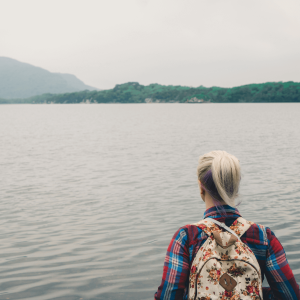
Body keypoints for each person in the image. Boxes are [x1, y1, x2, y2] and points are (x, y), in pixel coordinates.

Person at [154, 151, 300, 300]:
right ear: (236, 186)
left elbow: (167, 297)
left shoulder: (186, 237)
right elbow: (291, 296)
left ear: (201, 186)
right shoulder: (264, 237)